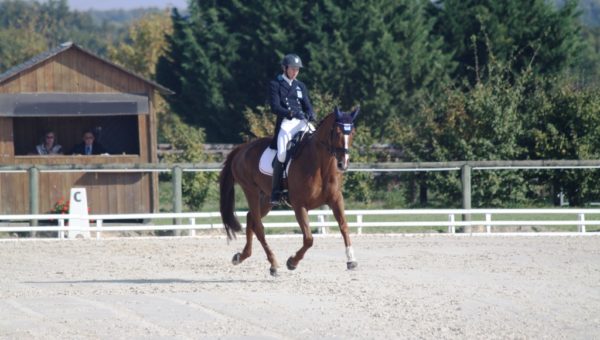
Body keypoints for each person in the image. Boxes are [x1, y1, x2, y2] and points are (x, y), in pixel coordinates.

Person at [269, 53, 316, 205]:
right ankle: (276, 192)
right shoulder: (275, 84)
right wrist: (290, 113)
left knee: (317, 144)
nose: (295, 72)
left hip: (302, 122)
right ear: (285, 68)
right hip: (286, 123)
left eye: (297, 69)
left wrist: (311, 113)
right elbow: (275, 107)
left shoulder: (300, 86)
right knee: (282, 155)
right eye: (293, 69)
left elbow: (307, 104)